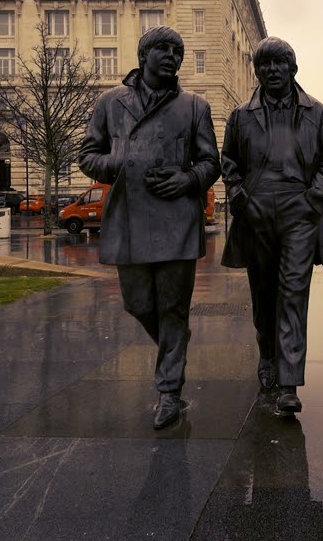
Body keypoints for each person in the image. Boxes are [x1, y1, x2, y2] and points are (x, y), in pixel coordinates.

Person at [78, 26, 221, 430]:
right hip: (128, 216)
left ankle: (169, 391)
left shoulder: (194, 106)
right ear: (143, 55)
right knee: (138, 303)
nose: (172, 56)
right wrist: (119, 160)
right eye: (163, 48)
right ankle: (176, 347)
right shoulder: (110, 103)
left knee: (173, 308)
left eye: (178, 50)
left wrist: (188, 179)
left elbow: (212, 162)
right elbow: (88, 155)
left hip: (177, 218)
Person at [221, 36, 323, 416]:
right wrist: (239, 197)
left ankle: (289, 381)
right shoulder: (241, 115)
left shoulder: (316, 112)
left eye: (279, 63)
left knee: (292, 293)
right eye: (265, 64)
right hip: (255, 211)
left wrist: (313, 199)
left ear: (293, 68)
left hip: (298, 212)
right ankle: (267, 353)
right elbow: (229, 162)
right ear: (257, 70)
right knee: (263, 294)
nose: (272, 70)